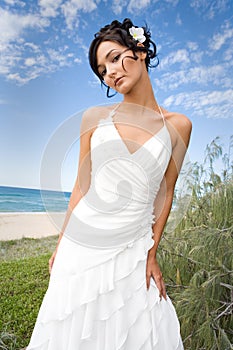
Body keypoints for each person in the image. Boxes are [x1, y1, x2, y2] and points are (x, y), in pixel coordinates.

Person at [27, 18, 192, 349]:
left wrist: (152, 253)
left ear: (140, 50)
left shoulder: (179, 126)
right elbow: (81, 185)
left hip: (135, 246)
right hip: (84, 244)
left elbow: (166, 193)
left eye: (115, 58)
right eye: (102, 70)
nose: (110, 73)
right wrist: (62, 243)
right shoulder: (94, 118)